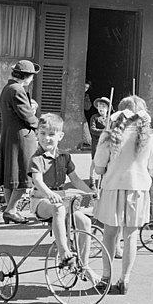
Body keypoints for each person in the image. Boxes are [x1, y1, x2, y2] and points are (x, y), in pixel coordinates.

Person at [93, 95, 153, 294]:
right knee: (131, 236)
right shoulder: (151, 137)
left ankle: (105, 277)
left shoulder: (109, 135)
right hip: (138, 188)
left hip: (113, 187)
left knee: (109, 234)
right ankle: (125, 279)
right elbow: (152, 169)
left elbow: (98, 167)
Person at [28, 113, 100, 284]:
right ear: (37, 135)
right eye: (43, 134)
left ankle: (84, 265)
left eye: (51, 135)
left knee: (84, 221)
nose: (47, 138)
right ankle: (63, 251)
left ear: (60, 136)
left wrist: (90, 191)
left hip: (61, 200)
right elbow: (37, 181)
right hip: (41, 201)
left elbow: (74, 179)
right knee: (59, 209)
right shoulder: (36, 158)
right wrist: (49, 193)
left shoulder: (64, 157)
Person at [0, 59, 40, 224]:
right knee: (24, 176)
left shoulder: (8, 88)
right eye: (32, 76)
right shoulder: (17, 90)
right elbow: (28, 116)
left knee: (10, 177)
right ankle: (11, 210)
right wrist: (42, 129)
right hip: (22, 138)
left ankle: (10, 210)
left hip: (10, 136)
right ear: (26, 76)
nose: (33, 79)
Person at [89, 96, 110, 183]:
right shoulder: (95, 118)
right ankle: (92, 180)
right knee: (95, 161)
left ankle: (102, 180)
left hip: (107, 143)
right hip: (97, 143)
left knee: (105, 161)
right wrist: (104, 131)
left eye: (103, 106)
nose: (101, 108)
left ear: (107, 108)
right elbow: (92, 129)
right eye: (99, 106)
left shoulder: (110, 119)